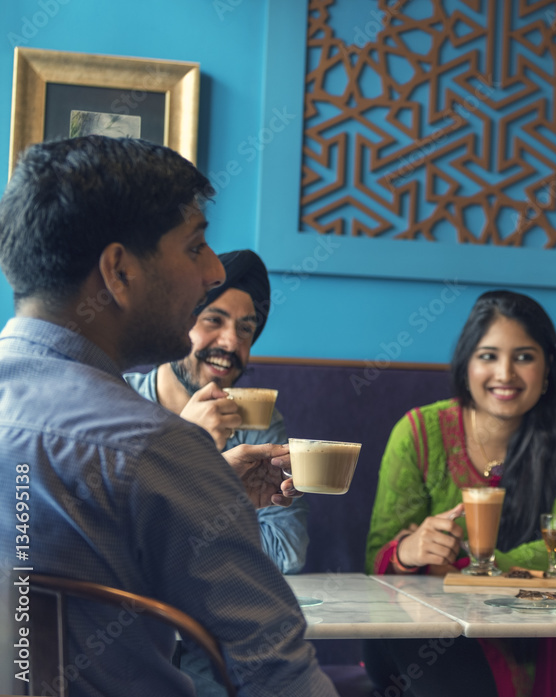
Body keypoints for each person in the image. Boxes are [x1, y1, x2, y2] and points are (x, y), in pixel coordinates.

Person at [0, 136, 336, 696]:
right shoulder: (157, 446)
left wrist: (210, 496)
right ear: (118, 270)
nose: (210, 272)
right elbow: (280, 677)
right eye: (196, 245)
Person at [363, 290, 556, 697]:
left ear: (548, 368)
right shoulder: (418, 433)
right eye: (488, 356)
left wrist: (465, 565)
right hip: (426, 631)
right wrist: (410, 550)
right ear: (466, 365)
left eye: (524, 357)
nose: (505, 374)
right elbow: (377, 556)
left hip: (534, 631)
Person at [123, 249, 309, 695]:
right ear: (179, 322)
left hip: (220, 645)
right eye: (214, 320)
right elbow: (116, 546)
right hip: (132, 643)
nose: (230, 342)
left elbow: (288, 547)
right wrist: (190, 447)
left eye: (246, 329)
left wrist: (216, 521)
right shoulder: (118, 406)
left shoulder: (258, 420)